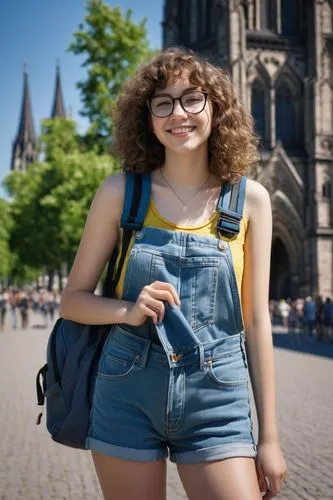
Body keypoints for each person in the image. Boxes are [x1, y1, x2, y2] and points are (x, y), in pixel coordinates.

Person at [60, 49, 287, 500]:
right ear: (147, 118)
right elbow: (72, 300)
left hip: (218, 394)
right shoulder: (120, 192)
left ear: (215, 109)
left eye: (192, 99)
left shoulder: (252, 200)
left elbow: (257, 322)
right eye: (163, 102)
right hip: (127, 386)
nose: (178, 113)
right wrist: (127, 309)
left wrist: (270, 438)